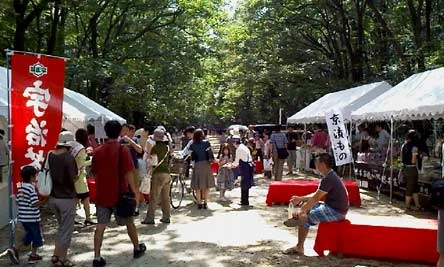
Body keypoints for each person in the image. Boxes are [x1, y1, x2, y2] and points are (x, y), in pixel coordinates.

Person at [92, 120, 145, 267]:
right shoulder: (123, 150)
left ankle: (97, 257)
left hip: (103, 195)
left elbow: (95, 174)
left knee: (100, 226)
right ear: (121, 132)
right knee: (129, 223)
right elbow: (129, 173)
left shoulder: (97, 151)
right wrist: (135, 193)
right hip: (121, 194)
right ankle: (136, 247)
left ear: (105, 132)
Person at [283, 153, 349, 255]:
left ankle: (299, 247)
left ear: (322, 164)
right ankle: (299, 230)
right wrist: (301, 199)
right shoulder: (330, 176)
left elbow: (316, 198)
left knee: (304, 218)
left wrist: (302, 211)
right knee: (306, 208)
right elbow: (317, 194)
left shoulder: (328, 178)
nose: (315, 164)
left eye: (316, 162)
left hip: (335, 211)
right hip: (334, 207)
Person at [47, 131, 78, 267]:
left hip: (52, 197)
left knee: (61, 228)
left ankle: (55, 255)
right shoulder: (68, 158)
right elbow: (73, 178)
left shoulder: (50, 155)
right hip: (66, 198)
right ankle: (62, 259)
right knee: (66, 230)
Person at [9, 166, 46, 264]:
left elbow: (17, 201)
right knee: (35, 236)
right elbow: (34, 203)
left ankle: (17, 249)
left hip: (23, 217)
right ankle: (29, 254)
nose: (36, 177)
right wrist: (44, 201)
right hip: (32, 218)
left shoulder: (21, 187)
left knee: (29, 236)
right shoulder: (30, 188)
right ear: (31, 177)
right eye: (35, 175)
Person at [142, 129, 172, 224]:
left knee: (154, 197)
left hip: (157, 174)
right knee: (166, 197)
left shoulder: (155, 148)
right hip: (167, 174)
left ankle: (150, 218)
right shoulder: (167, 147)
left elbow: (153, 162)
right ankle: (166, 217)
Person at [70, 128, 95, 226]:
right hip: (79, 177)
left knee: (75, 199)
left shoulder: (72, 146)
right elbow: (81, 163)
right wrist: (92, 160)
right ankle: (88, 218)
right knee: (85, 197)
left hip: (72, 176)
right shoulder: (80, 148)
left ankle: (72, 217)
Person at [120, 124, 143, 215]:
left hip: (134, 167)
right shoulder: (120, 140)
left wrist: (130, 141)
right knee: (124, 188)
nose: (125, 133)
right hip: (123, 168)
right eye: (123, 130)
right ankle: (125, 206)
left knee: (135, 188)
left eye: (133, 131)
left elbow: (140, 150)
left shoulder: (135, 140)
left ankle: (136, 207)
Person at [190, 128, 215, 209]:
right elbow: (210, 154)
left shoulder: (192, 145)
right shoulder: (206, 143)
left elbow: (192, 157)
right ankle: (205, 202)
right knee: (206, 185)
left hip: (197, 165)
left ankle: (199, 203)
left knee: (197, 185)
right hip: (206, 165)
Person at [401, 130, 422, 211]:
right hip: (412, 169)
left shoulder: (403, 145)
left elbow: (402, 158)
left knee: (414, 188)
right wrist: (419, 157)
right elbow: (413, 161)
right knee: (410, 188)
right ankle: (407, 206)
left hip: (406, 168)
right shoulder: (414, 148)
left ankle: (417, 205)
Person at [229, 137, 254, 206]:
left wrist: (231, 166)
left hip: (245, 167)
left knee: (244, 184)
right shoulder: (244, 147)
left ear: (235, 143)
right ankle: (245, 200)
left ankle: (244, 201)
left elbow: (236, 162)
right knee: (246, 183)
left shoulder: (239, 149)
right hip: (249, 165)